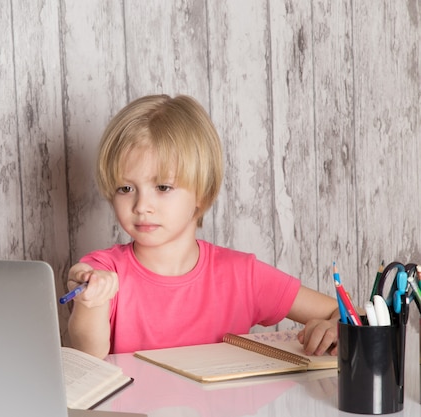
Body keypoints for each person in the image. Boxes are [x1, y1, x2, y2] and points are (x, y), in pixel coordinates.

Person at [67, 94, 339, 359]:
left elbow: (343, 313)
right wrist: (90, 303)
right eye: (126, 188)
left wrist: (333, 328)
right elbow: (88, 354)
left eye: (163, 187)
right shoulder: (105, 271)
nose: (141, 206)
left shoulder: (241, 276)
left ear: (202, 194)